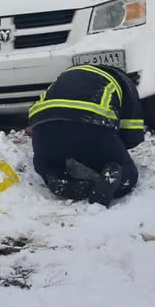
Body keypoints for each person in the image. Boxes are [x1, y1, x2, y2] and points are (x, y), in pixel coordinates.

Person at [27, 64, 145, 206]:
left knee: (44, 159)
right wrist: (112, 152)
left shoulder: (68, 74)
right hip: (89, 126)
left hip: (44, 127)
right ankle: (114, 177)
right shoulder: (125, 84)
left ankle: (55, 176)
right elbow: (132, 137)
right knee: (128, 169)